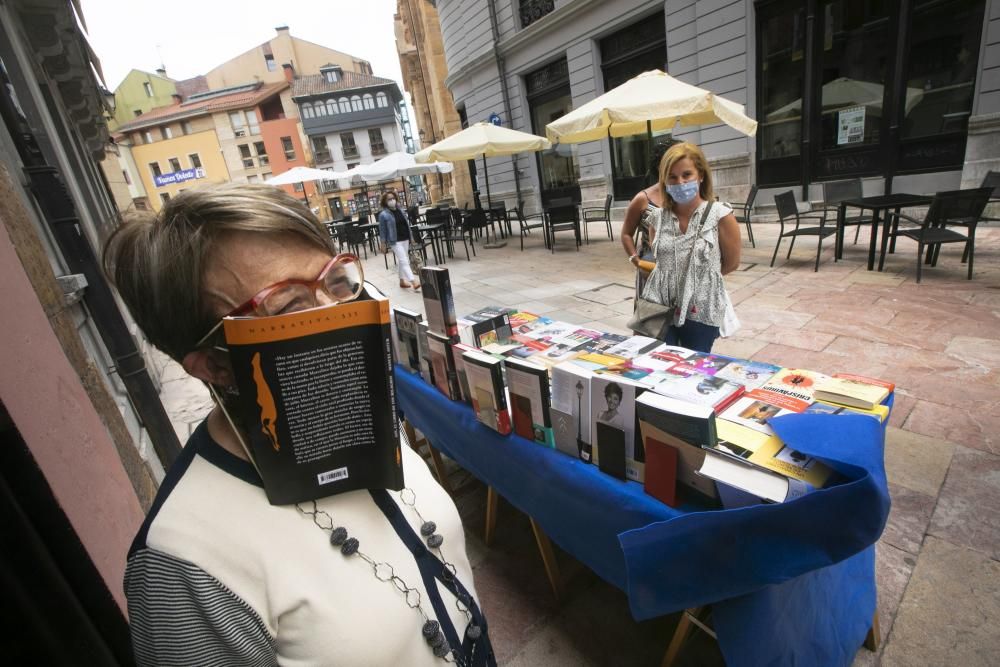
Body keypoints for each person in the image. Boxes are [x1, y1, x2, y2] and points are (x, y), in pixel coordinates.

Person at [103, 184, 493, 666]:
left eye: (334, 280)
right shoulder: (184, 566)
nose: (342, 312)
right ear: (214, 366)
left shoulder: (354, 403)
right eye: (290, 306)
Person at [640, 142, 741, 352]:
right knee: (658, 362)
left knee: (695, 368)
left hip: (702, 305)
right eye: (672, 177)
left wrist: (698, 278)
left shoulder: (721, 215)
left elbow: (731, 263)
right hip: (659, 303)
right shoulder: (656, 218)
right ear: (664, 181)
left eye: (687, 175)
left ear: (701, 175)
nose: (680, 182)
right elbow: (660, 260)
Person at [621, 139, 682, 300]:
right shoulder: (642, 198)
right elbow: (626, 234)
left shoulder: (687, 194)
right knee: (652, 318)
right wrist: (636, 260)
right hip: (651, 265)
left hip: (683, 266)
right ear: (659, 166)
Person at [377, 190, 420, 290]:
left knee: (402, 260)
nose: (392, 200)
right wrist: (383, 244)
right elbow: (382, 230)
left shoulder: (400, 210)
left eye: (393, 198)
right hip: (394, 240)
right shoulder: (383, 215)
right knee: (405, 260)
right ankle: (413, 281)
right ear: (385, 202)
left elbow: (406, 224)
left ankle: (402, 281)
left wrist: (411, 237)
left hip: (405, 238)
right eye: (389, 199)